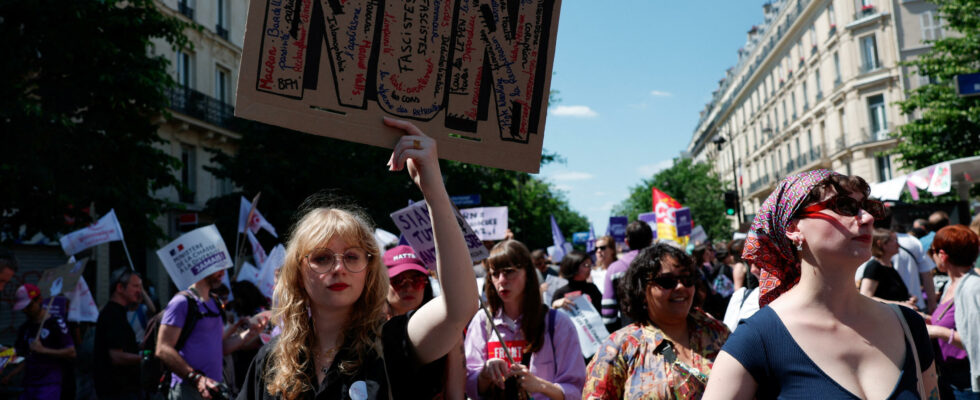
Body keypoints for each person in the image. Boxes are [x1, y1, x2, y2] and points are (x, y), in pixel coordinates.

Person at [237, 117, 479, 400]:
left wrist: (433, 188)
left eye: (352, 256)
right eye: (322, 258)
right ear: (297, 272)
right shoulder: (270, 360)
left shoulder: (391, 345)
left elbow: (460, 307)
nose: (339, 268)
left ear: (369, 271)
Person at [703, 169, 939, 400]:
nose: (867, 218)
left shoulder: (908, 326)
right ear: (794, 228)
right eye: (845, 207)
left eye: (868, 208)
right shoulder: (758, 339)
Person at [583, 243, 730, 399]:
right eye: (667, 281)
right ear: (642, 289)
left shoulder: (717, 333)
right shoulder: (618, 348)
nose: (680, 286)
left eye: (687, 279)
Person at [464, 239, 586, 399]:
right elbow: (468, 386)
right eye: (495, 273)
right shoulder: (482, 321)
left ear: (528, 273)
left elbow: (575, 390)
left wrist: (540, 385)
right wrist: (484, 375)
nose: (501, 280)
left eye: (509, 271)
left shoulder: (557, 323)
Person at [157, 268, 265, 400]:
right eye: (217, 268)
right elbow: (163, 349)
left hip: (213, 388)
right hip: (188, 389)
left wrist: (249, 334)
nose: (223, 273)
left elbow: (220, 347)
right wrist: (195, 378)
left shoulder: (215, 303)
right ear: (201, 269)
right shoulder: (181, 302)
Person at [383, 245, 465, 399]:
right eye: (398, 280)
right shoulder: (368, 329)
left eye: (417, 280)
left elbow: (455, 393)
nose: (408, 287)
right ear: (382, 284)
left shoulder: (448, 328)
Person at [926, 225, 980, 398]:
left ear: (942, 255)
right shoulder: (952, 284)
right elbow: (953, 320)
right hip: (952, 379)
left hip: (967, 383)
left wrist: (938, 331)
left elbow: (976, 339)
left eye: (932, 251)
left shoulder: (972, 288)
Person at [12, 283, 76, 400]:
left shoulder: (56, 324)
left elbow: (71, 352)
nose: (26, 310)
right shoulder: (25, 327)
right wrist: (5, 353)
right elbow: (22, 353)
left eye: (29, 306)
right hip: (28, 384)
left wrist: (43, 350)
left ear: (39, 300)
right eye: (23, 308)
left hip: (48, 384)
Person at [94, 269, 144, 400]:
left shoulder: (119, 313)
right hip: (117, 391)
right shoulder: (112, 315)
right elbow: (116, 356)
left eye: (140, 286)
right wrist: (146, 358)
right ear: (120, 287)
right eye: (135, 286)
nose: (140, 291)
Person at [601, 221, 653, 332]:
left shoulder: (614, 269)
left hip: (632, 336)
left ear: (626, 242)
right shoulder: (663, 264)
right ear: (651, 240)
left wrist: (621, 334)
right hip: (666, 334)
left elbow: (608, 314)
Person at [859, 228, 918, 308]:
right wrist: (900, 304)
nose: (898, 245)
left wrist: (909, 299)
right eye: (895, 241)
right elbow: (866, 296)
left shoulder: (889, 265)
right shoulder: (874, 266)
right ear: (881, 244)